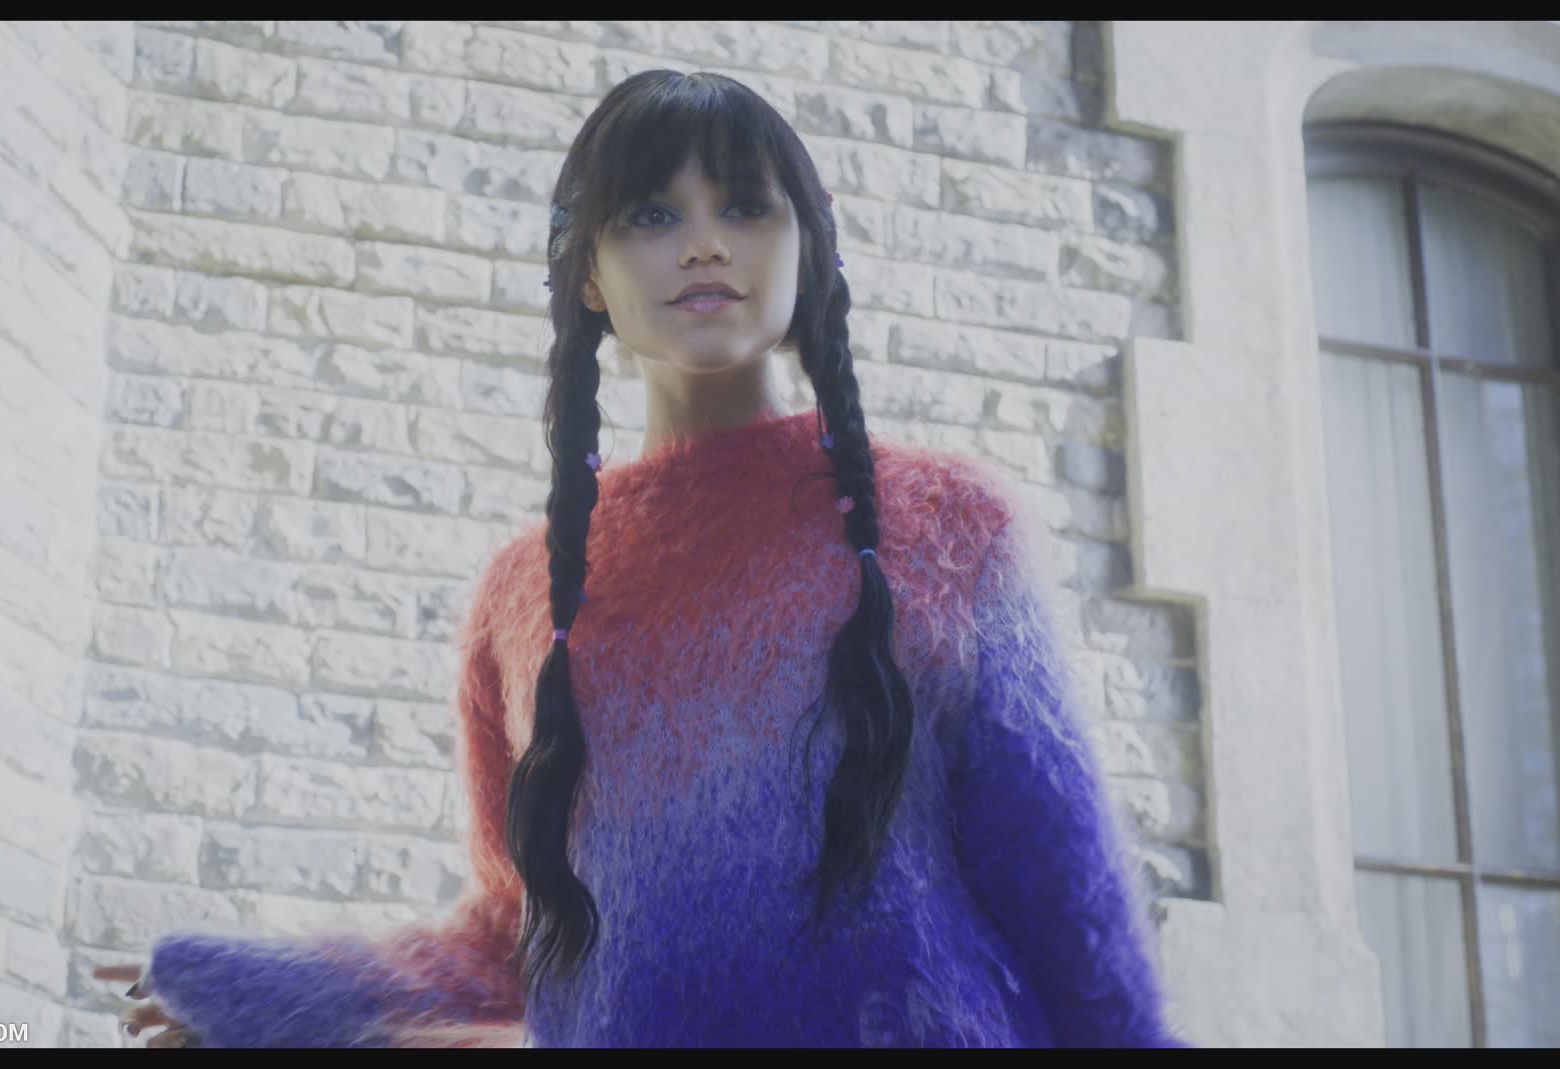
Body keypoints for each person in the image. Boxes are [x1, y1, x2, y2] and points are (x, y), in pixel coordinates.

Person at [94, 68, 1190, 1049]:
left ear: (808, 248)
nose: (705, 243)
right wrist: (252, 998)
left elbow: (1068, 903)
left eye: (746, 206)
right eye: (654, 214)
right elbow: (518, 939)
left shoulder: (950, 527)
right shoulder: (523, 595)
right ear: (588, 275)